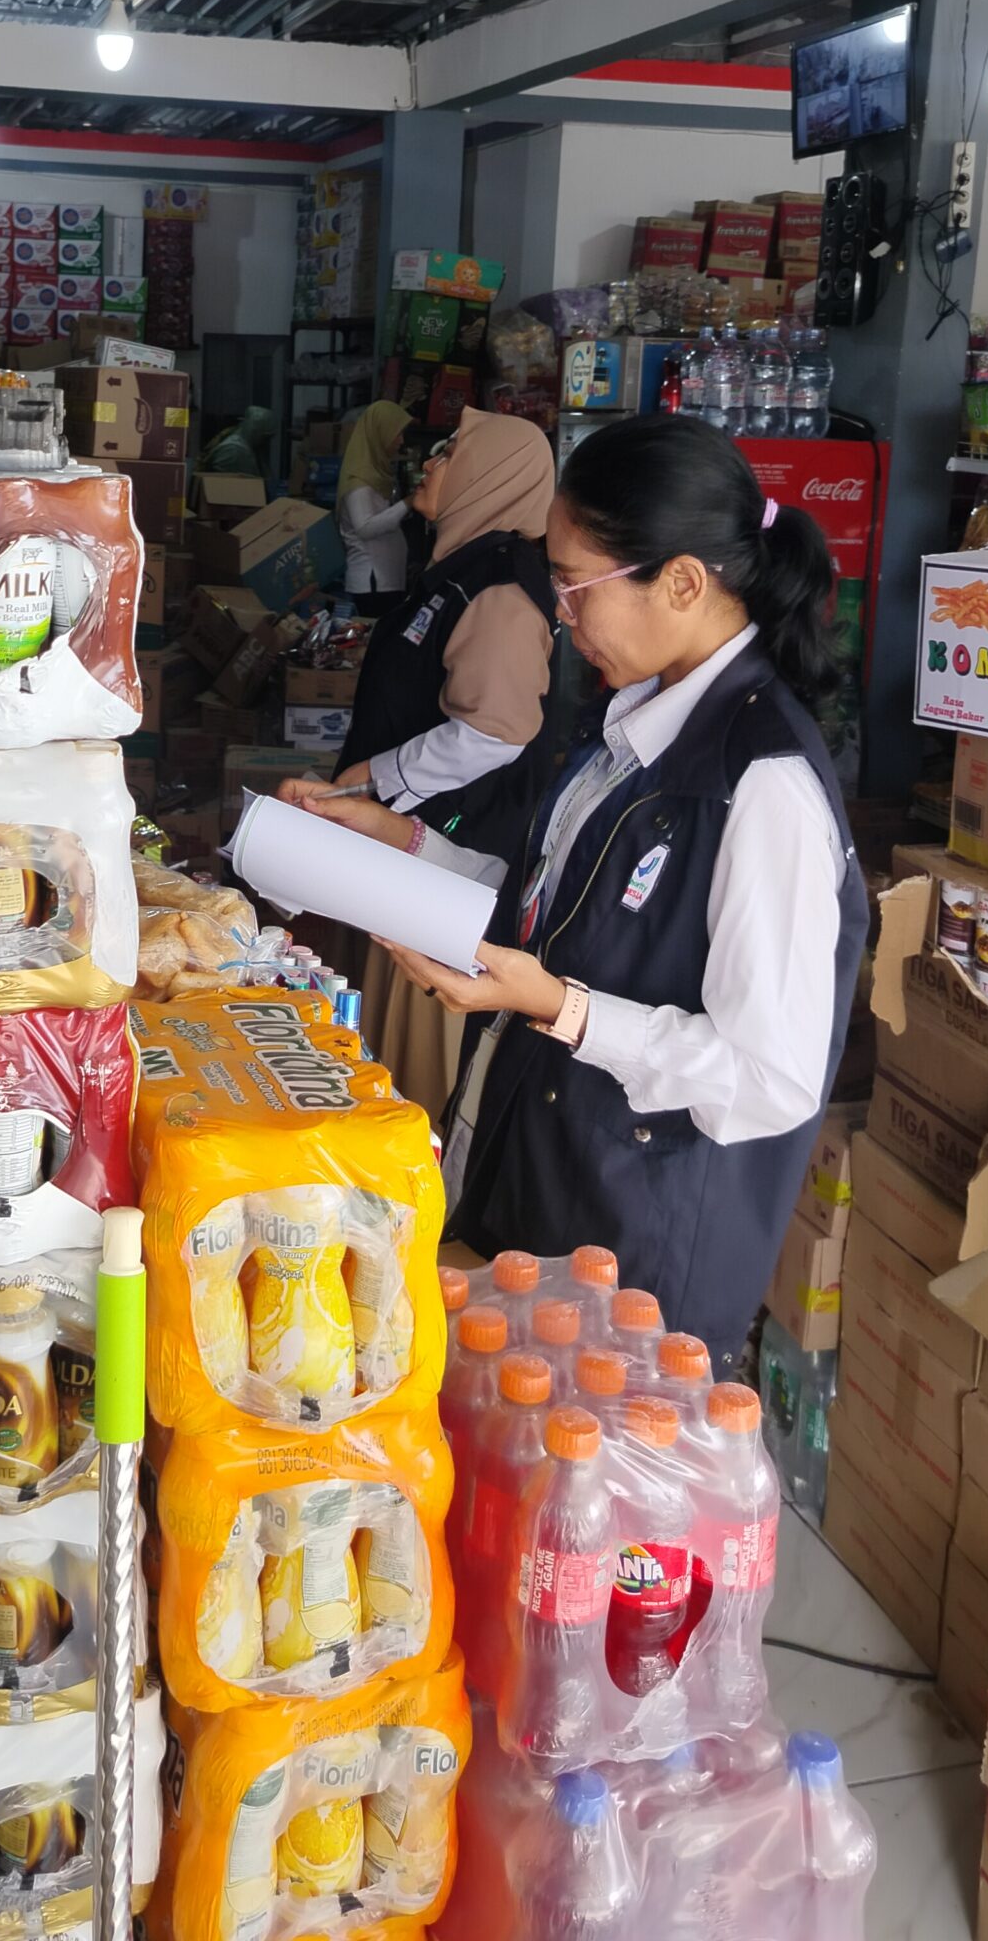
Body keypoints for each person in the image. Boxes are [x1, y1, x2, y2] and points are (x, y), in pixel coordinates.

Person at [287, 413, 864, 1371]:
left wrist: (560, 1008)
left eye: (574, 584)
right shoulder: (629, 722)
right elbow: (548, 912)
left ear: (682, 583)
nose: (559, 613)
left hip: (638, 1274)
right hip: (540, 1191)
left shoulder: (764, 785)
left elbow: (770, 1079)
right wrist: (399, 840)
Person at [280, 407, 558, 1122]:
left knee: (411, 1049)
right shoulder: (458, 568)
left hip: (447, 861)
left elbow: (495, 732)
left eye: (451, 452)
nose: (430, 463)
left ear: (490, 475)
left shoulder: (500, 587)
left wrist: (377, 775)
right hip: (404, 846)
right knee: (371, 1024)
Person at [336, 401, 415, 614]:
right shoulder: (359, 481)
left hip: (384, 582)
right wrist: (408, 503)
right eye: (397, 433)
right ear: (380, 433)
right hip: (373, 583)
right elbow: (365, 527)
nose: (401, 440)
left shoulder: (375, 475)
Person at [199, 406, 276, 479]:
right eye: (266, 437)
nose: (267, 442)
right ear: (255, 430)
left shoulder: (250, 448)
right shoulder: (234, 450)